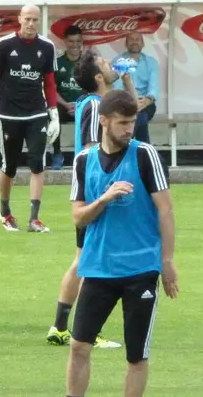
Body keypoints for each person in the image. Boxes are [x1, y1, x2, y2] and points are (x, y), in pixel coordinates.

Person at [65, 90, 178, 397]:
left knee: (136, 354)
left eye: (133, 122)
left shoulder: (145, 155)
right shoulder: (83, 161)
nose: (130, 129)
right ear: (104, 121)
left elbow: (165, 210)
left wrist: (167, 262)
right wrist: (104, 198)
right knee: (78, 346)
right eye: (123, 122)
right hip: (99, 268)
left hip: (140, 269)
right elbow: (78, 217)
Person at [47, 50, 136, 349]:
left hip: (96, 190)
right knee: (91, 261)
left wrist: (125, 78)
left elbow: (132, 109)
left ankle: (60, 326)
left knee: (82, 258)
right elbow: (91, 148)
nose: (112, 64)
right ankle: (85, 328)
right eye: (106, 64)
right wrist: (104, 191)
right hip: (96, 191)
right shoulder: (93, 106)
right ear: (98, 77)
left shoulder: (99, 103)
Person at [0, 4, 60, 233]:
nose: (31, 24)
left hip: (37, 114)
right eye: (28, 19)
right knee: (9, 166)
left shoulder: (47, 47)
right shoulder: (4, 45)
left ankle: (34, 218)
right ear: (19, 19)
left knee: (37, 165)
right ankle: (5, 212)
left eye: (35, 19)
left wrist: (54, 115)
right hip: (10, 114)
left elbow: (49, 83)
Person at [111, 32, 160, 144]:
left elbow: (153, 88)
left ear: (142, 43)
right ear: (126, 43)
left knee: (141, 116)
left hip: (146, 103)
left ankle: (130, 148)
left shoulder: (151, 62)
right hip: (124, 102)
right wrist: (132, 102)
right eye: (131, 39)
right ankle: (143, 150)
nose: (134, 42)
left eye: (137, 39)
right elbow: (117, 88)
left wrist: (147, 101)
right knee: (137, 117)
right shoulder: (118, 61)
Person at [52, 25, 84, 170]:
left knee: (95, 112)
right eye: (71, 41)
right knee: (53, 113)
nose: (75, 45)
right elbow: (51, 89)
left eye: (78, 41)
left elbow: (95, 88)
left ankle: (85, 155)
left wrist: (80, 104)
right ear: (65, 41)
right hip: (64, 106)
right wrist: (66, 104)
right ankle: (57, 154)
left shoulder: (88, 63)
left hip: (83, 105)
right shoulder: (58, 63)